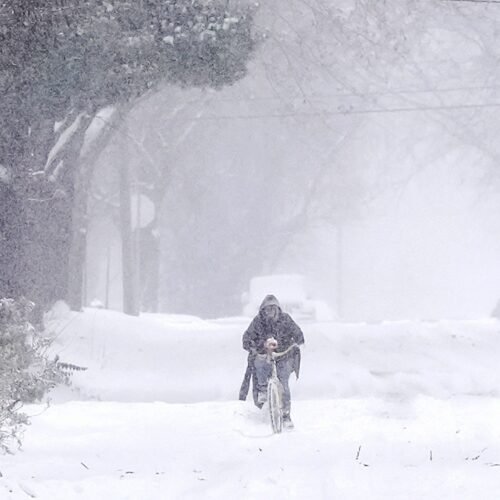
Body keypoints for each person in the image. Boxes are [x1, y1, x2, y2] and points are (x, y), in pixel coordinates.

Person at [241, 294, 305, 428]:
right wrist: (258, 346)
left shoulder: (285, 320)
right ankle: (263, 390)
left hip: (283, 355)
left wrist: (296, 343)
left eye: (273, 308)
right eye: (267, 308)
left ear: (278, 309)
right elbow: (246, 339)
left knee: (283, 384)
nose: (270, 311)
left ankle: (286, 415)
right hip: (265, 355)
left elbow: (298, 334)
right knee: (259, 364)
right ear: (263, 310)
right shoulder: (258, 322)